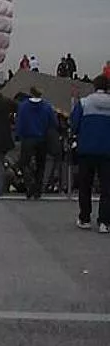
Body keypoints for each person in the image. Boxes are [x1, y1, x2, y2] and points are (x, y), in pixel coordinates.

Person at [70, 76, 110, 231]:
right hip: (107, 152)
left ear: (94, 86)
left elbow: (74, 124)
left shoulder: (84, 103)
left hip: (86, 150)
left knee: (85, 185)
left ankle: (85, 218)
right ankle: (104, 222)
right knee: (107, 188)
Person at [14, 86, 57, 200]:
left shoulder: (23, 106)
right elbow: (53, 123)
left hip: (28, 138)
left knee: (24, 163)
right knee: (40, 164)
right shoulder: (47, 106)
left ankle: (29, 183)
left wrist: (19, 134)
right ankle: (37, 189)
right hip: (42, 138)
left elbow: (19, 122)